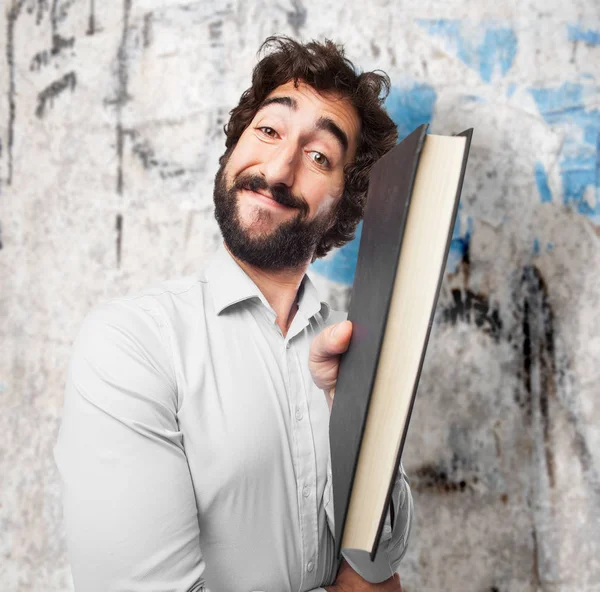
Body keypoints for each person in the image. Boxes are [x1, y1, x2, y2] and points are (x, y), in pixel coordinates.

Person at [54, 36, 413, 592]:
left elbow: (380, 563)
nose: (279, 167)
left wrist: (357, 421)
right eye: (268, 130)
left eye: (320, 156)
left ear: (345, 202)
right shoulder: (129, 344)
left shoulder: (354, 350)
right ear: (233, 150)